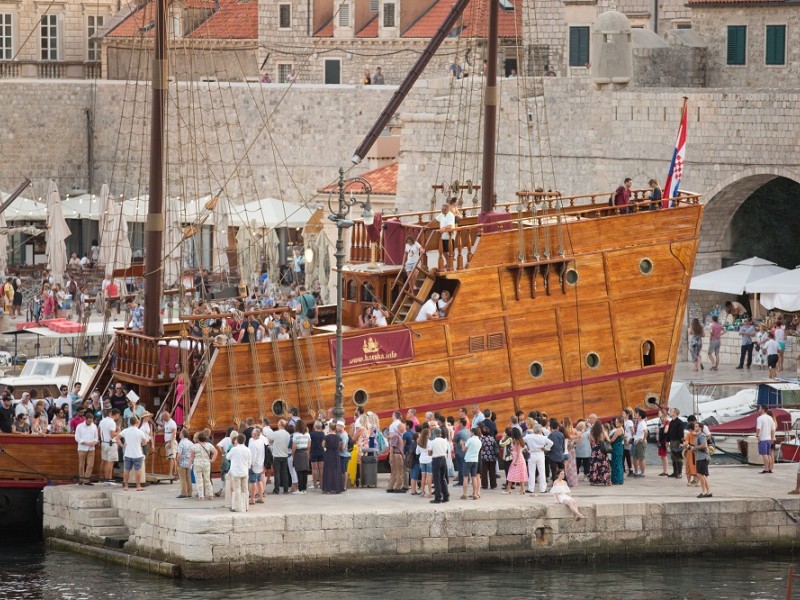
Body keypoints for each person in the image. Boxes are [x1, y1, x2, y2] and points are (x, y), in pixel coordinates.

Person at [118, 415, 148, 491]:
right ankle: (138, 486)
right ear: (137, 422)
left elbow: (117, 438)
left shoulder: (125, 430)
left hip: (128, 453)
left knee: (127, 470)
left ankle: (126, 486)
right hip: (137, 454)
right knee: (138, 470)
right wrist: (140, 443)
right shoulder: (140, 432)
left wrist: (122, 445)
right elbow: (144, 443)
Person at [524, 423, 552, 494]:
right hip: (540, 454)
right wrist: (545, 448)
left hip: (532, 454)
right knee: (542, 472)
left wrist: (525, 448)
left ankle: (531, 489)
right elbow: (551, 443)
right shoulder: (543, 437)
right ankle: (543, 489)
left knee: (531, 472)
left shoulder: (528, 436)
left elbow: (521, 440)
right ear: (540, 430)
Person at [226, 434, 252, 512]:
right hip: (244, 471)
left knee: (237, 489)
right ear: (244, 440)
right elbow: (250, 461)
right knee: (245, 489)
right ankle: (246, 506)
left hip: (236, 472)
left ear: (237, 440)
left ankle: (237, 507)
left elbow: (227, 457)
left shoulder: (234, 449)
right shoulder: (247, 449)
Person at [189, 430, 218, 500]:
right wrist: (212, 460)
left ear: (198, 438)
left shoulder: (194, 446)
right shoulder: (209, 445)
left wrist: (189, 465)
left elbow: (191, 457)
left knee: (199, 480)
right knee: (207, 479)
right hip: (206, 463)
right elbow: (215, 452)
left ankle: (201, 496)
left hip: (197, 464)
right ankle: (210, 495)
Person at [74, 412, 98, 485]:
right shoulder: (79, 426)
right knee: (81, 464)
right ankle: (81, 479)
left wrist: (94, 442)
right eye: (89, 421)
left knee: (90, 465)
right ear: (86, 419)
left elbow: (96, 437)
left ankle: (87, 479)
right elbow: (77, 437)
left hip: (91, 448)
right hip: (82, 448)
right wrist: (86, 443)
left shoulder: (94, 426)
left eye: (91, 421)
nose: (90, 422)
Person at [267, 420, 291, 494]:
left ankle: (276, 489)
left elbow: (270, 441)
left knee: (277, 473)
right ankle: (286, 489)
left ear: (280, 425)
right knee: (285, 473)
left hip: (277, 455)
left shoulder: (276, 433)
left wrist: (273, 442)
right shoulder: (288, 434)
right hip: (285, 455)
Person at [428, 427, 450, 503]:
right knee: (442, 478)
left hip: (436, 459)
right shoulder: (445, 441)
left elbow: (429, 453)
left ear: (434, 434)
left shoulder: (432, 442)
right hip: (443, 458)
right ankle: (446, 496)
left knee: (436, 479)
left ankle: (438, 497)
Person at [98, 408, 120, 483]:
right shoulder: (112, 422)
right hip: (110, 443)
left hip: (103, 442)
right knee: (110, 462)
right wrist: (119, 432)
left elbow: (99, 431)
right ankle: (108, 479)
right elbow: (112, 434)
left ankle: (102, 478)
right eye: (118, 415)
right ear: (116, 414)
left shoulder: (102, 420)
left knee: (104, 461)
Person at [321, 422, 344, 494]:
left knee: (328, 470)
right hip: (336, 454)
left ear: (330, 428)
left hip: (328, 453)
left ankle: (327, 487)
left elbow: (323, 445)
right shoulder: (338, 437)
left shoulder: (326, 437)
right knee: (336, 470)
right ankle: (337, 487)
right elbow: (341, 446)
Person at [459, 427, 481, 500]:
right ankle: (475, 494)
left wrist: (462, 444)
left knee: (465, 477)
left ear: (472, 432)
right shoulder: (479, 441)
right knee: (474, 477)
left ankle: (464, 494)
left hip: (468, 459)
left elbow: (463, 450)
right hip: (475, 460)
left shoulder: (470, 440)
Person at [692, 422, 712, 498]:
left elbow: (704, 445)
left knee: (700, 475)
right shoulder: (697, 436)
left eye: (696, 426)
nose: (695, 427)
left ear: (700, 428)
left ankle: (704, 491)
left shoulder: (702, 436)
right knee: (702, 475)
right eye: (694, 426)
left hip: (703, 457)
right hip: (699, 457)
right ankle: (708, 492)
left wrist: (695, 448)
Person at [505, 428, 528, 495]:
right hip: (520, 459)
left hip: (517, 459)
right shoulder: (519, 440)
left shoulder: (516, 441)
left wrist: (516, 461)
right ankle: (522, 489)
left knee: (511, 473)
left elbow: (518, 452)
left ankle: (508, 489)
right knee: (521, 474)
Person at [588, 421, 611, 486]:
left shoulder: (591, 433)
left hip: (594, 452)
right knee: (603, 466)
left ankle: (594, 480)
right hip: (602, 451)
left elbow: (590, 441)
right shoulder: (603, 432)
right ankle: (605, 481)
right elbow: (609, 440)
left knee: (594, 466)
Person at [248, 428, 267, 504]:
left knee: (253, 481)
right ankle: (261, 497)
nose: (251, 434)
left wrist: (250, 464)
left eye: (252, 433)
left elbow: (253, 455)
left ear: (255, 435)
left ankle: (252, 498)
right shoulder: (261, 441)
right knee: (259, 481)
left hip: (254, 464)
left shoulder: (254, 444)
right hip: (260, 463)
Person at [292, 420, 311, 494]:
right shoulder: (307, 434)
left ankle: (300, 489)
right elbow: (309, 445)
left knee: (299, 471)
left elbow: (294, 446)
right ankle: (304, 489)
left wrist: (293, 454)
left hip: (298, 452)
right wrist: (308, 452)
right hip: (305, 452)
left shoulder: (295, 435)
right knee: (305, 471)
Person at [665, 407, 685, 478]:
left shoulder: (680, 422)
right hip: (672, 441)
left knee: (678, 457)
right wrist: (667, 440)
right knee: (673, 457)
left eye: (671, 411)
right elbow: (669, 432)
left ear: (675, 413)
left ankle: (679, 473)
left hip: (677, 441)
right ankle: (675, 472)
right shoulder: (671, 422)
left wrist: (681, 442)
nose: (670, 412)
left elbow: (681, 434)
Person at [435, 203, 456, 268]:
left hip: (449, 236)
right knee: (443, 251)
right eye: (441, 209)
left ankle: (450, 263)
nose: (442, 210)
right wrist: (426, 225)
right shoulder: (442, 214)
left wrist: (443, 228)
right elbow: (435, 220)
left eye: (443, 209)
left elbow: (450, 225)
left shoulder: (451, 215)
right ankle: (448, 263)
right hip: (443, 236)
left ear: (446, 210)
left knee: (450, 251)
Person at [756, 404, 775, 474]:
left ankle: (766, 469)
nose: (759, 410)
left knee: (764, 454)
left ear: (763, 409)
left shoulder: (760, 418)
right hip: (768, 439)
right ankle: (770, 469)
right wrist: (772, 437)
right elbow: (773, 429)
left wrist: (757, 436)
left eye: (760, 408)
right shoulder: (770, 418)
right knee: (768, 454)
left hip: (763, 439)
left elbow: (758, 428)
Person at [176, 428, 194, 498]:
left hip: (182, 463)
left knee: (182, 478)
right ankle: (190, 492)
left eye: (180, 433)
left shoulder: (181, 443)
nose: (179, 434)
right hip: (189, 462)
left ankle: (184, 493)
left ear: (182, 434)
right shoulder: (191, 443)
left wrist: (177, 462)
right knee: (188, 478)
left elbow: (179, 454)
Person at [632, 407, 648, 477]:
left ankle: (643, 473)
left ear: (640, 416)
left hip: (640, 442)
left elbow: (646, 432)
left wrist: (643, 439)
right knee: (635, 457)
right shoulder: (640, 422)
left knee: (641, 458)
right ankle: (638, 472)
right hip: (636, 441)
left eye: (637, 414)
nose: (635, 415)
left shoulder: (642, 423)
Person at [609, 416, 625, 485]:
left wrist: (607, 439)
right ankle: (619, 479)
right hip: (619, 447)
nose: (616, 423)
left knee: (616, 463)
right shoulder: (622, 429)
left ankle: (617, 480)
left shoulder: (618, 430)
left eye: (617, 422)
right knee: (619, 463)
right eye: (616, 422)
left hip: (616, 447)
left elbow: (612, 440)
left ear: (621, 423)